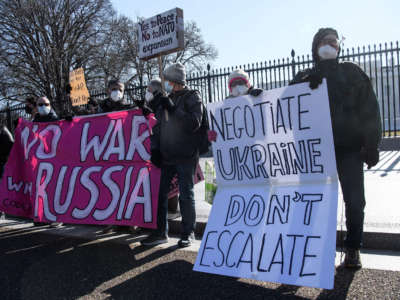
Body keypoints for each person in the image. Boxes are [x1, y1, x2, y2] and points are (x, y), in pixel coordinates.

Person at [290, 27, 382, 269]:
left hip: (349, 149)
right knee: (315, 202)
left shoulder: (351, 72)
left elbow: (370, 110)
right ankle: (316, 249)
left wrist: (371, 145)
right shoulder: (303, 77)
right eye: (325, 41)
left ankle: (353, 249)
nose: (331, 45)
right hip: (316, 153)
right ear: (316, 47)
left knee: (355, 201)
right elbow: (282, 105)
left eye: (335, 41)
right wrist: (255, 97)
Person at [141, 63, 205, 247]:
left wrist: (174, 109)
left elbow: (194, 123)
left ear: (175, 81)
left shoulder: (192, 97)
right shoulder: (165, 99)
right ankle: (160, 232)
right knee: (160, 195)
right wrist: (155, 149)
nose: (166, 84)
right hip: (167, 155)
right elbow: (157, 127)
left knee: (186, 194)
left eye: (168, 80)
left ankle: (188, 233)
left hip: (186, 155)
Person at [208, 69, 263, 142]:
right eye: (234, 84)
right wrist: (213, 135)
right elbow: (219, 132)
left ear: (247, 84)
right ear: (230, 88)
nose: (237, 86)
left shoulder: (257, 98)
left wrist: (260, 97)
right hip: (236, 147)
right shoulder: (223, 109)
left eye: (240, 82)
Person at [32, 96, 62, 227]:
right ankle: (41, 216)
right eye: (40, 104)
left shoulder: (56, 119)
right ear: (36, 106)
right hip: (39, 161)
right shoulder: (34, 121)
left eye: (46, 104)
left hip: (55, 159)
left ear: (50, 105)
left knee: (54, 188)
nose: (43, 106)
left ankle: (57, 217)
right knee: (40, 189)